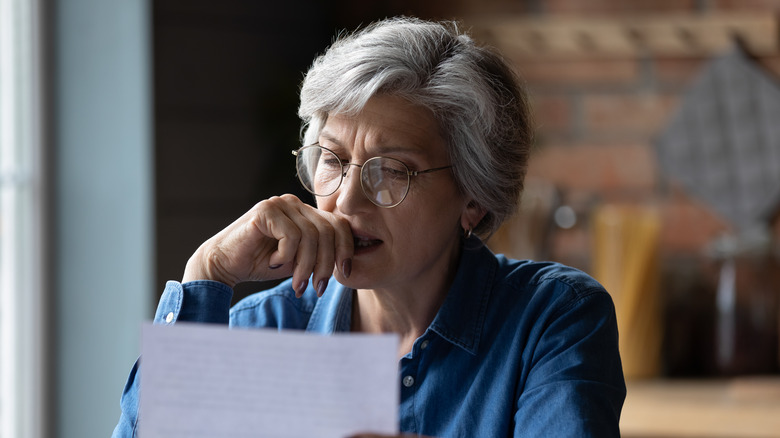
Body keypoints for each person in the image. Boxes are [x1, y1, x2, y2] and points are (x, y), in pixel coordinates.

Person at [112, 16, 625, 437]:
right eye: (332, 160)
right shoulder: (262, 329)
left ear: (473, 198)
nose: (346, 200)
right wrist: (209, 272)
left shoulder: (552, 319)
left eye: (393, 171)